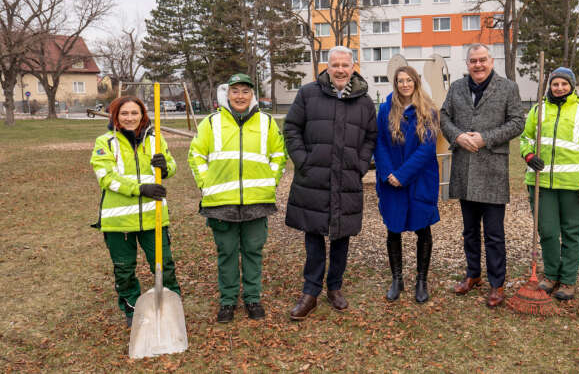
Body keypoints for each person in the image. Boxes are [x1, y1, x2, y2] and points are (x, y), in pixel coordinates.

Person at [284, 46, 377, 320]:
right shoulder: (308, 94)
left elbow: (371, 137)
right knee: (313, 236)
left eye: (344, 65)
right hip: (314, 177)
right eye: (334, 65)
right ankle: (310, 291)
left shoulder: (364, 101)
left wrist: (359, 166)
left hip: (346, 178)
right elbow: (291, 128)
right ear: (327, 67)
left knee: (341, 236)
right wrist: (304, 160)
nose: (339, 70)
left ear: (353, 67)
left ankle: (334, 287)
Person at [188, 73, 286, 323]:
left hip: (257, 201)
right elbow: (196, 155)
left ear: (252, 94)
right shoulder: (211, 123)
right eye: (235, 91)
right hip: (221, 203)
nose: (240, 96)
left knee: (253, 251)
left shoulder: (266, 122)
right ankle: (228, 301)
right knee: (227, 252)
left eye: (245, 91)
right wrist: (206, 184)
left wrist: (269, 182)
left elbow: (279, 155)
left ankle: (252, 298)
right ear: (227, 94)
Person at [440, 43, 525, 307]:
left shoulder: (508, 87)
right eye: (473, 61)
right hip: (465, 168)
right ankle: (473, 274)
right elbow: (444, 117)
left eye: (482, 60)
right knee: (469, 231)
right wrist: (458, 136)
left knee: (494, 233)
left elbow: (517, 122)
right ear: (467, 64)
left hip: (492, 170)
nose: (478, 65)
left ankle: (497, 283)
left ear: (491, 61)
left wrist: (486, 138)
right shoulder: (456, 88)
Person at [89, 96, 181, 328]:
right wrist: (140, 189)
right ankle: (131, 310)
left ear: (143, 115)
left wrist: (165, 167)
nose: (130, 118)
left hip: (154, 217)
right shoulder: (105, 142)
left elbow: (171, 165)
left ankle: (171, 308)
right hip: (119, 221)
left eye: (134, 113)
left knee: (164, 265)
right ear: (115, 116)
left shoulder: (155, 139)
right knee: (124, 269)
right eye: (124, 113)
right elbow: (107, 178)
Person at [520, 67, 579, 301]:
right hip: (542, 182)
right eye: (555, 84)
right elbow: (526, 137)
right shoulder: (538, 109)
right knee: (547, 231)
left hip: (573, 184)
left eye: (564, 84)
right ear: (549, 86)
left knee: (571, 233)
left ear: (572, 86)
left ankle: (567, 280)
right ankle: (551, 275)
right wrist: (528, 155)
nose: (559, 88)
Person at [374, 65, 440, 303]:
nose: (404, 84)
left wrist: (403, 174)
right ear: (395, 83)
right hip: (391, 181)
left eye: (408, 80)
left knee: (423, 229)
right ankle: (397, 278)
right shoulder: (385, 110)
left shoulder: (428, 110)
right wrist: (388, 173)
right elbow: (379, 142)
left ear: (415, 82)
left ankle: (421, 280)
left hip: (419, 180)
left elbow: (427, 149)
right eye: (400, 80)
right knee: (393, 229)